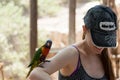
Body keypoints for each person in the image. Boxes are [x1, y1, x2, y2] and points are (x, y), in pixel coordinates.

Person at [27, 5, 118, 80]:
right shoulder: (72, 54)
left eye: (106, 40)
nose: (101, 46)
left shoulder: (102, 54)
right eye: (98, 39)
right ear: (85, 29)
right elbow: (36, 73)